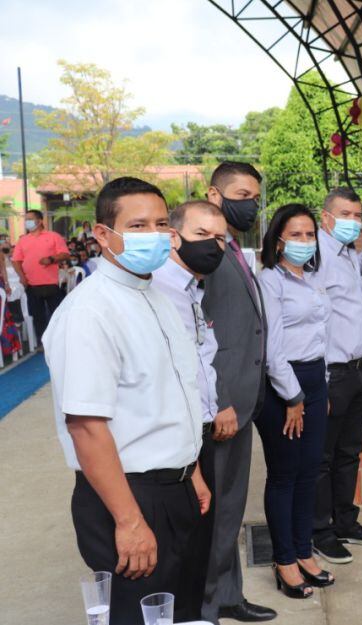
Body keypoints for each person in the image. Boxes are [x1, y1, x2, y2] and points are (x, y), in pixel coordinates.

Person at [43, 177, 212, 623]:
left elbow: (171, 394)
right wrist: (130, 521)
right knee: (139, 614)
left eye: (161, 223)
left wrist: (189, 469)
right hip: (129, 494)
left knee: (180, 611)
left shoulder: (153, 296)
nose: (154, 235)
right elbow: (86, 426)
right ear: (103, 234)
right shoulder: (89, 312)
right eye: (137, 226)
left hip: (173, 489)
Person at [202, 161, 277, 622]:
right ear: (215, 196)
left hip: (245, 402)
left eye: (253, 196)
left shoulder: (232, 248)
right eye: (241, 194)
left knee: (231, 508)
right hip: (222, 405)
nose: (249, 204)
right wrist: (221, 398)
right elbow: (202, 336)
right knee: (214, 512)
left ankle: (229, 594)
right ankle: (206, 604)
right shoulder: (204, 253)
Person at [152, 200, 229, 616]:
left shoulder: (191, 289)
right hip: (174, 442)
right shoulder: (159, 290)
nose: (213, 246)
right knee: (173, 557)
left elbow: (201, 361)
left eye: (219, 238)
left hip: (198, 435)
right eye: (202, 235)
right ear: (174, 236)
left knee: (197, 548)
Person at [256, 203, 335, 598]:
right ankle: (283, 559)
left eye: (310, 234)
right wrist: (293, 397)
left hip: (314, 379)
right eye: (296, 234)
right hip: (285, 385)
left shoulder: (313, 278)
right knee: (285, 474)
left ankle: (304, 551)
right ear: (279, 239)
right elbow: (272, 348)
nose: (304, 241)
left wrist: (320, 389)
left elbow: (320, 338)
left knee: (309, 472)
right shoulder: (271, 280)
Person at [311, 188, 362, 566]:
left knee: (348, 453)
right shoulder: (317, 256)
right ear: (325, 217)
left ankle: (345, 522)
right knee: (322, 458)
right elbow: (312, 320)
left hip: (361, 372)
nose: (353, 222)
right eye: (345, 214)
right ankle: (319, 531)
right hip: (333, 374)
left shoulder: (352, 255)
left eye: (358, 215)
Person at [11, 209, 70, 343]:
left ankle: (60, 340)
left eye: (30, 219)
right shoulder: (23, 240)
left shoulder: (54, 236)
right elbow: (15, 260)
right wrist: (22, 277)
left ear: (39, 221)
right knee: (38, 316)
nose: (27, 222)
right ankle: (42, 342)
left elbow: (65, 254)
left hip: (51, 283)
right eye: (26, 219)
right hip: (31, 284)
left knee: (57, 314)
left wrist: (51, 259)